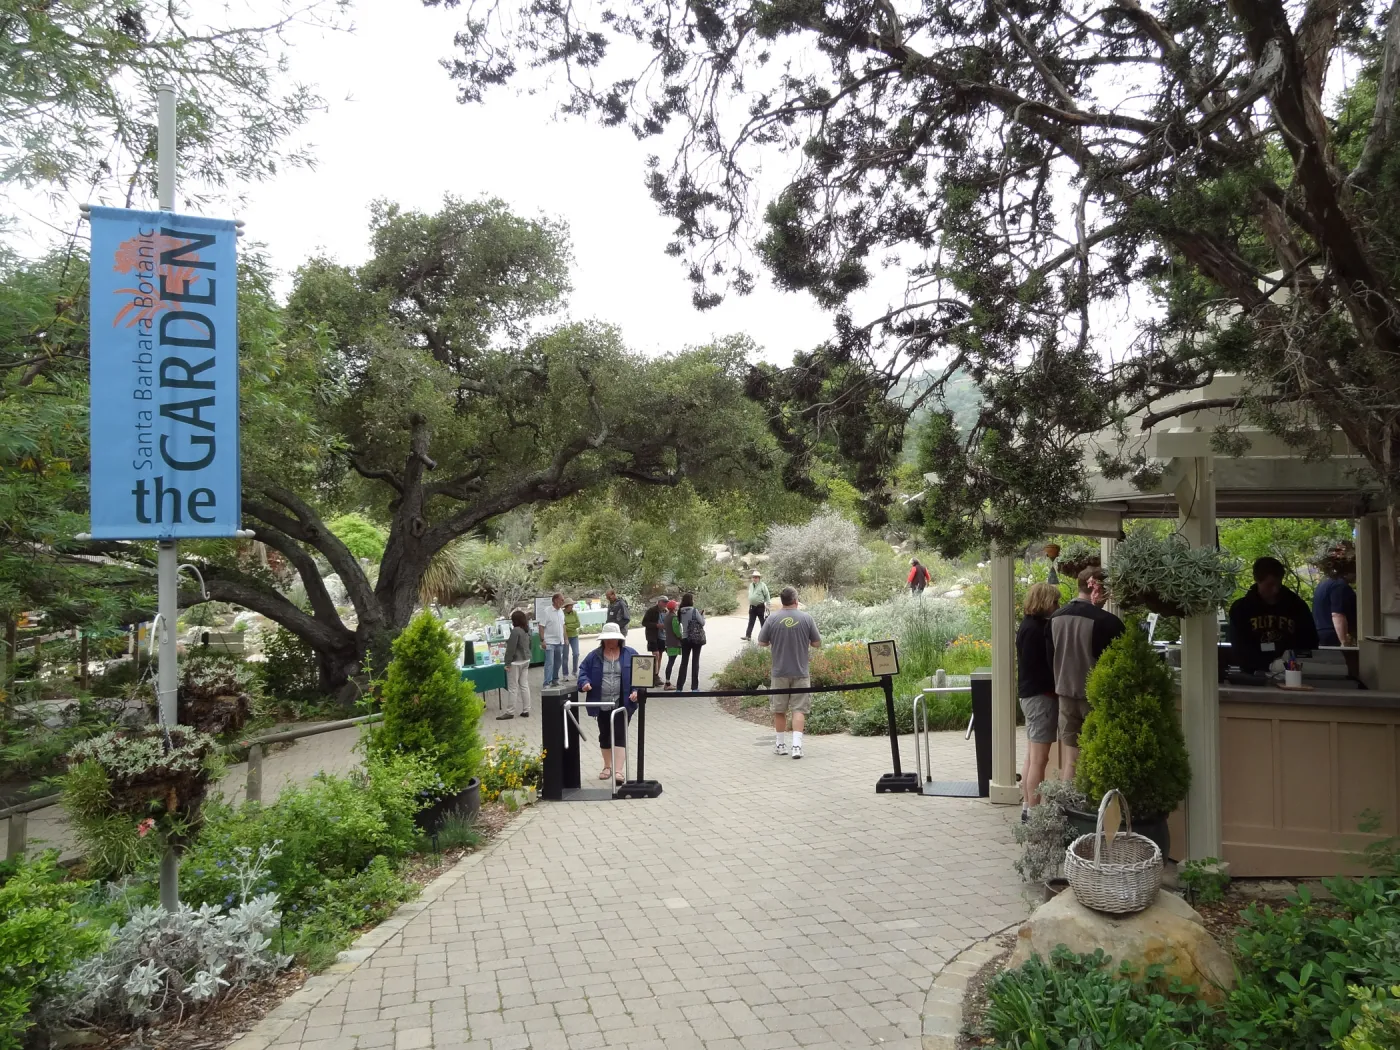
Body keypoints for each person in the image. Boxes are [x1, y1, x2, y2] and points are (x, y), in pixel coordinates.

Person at [1049, 567, 1125, 783]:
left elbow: (1049, 658)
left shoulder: (1055, 618)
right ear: (1099, 589)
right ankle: (1093, 811)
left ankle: (1067, 807)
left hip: (1064, 695)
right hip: (1096, 697)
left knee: (1071, 758)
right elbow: (1118, 664)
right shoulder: (1109, 623)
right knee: (1097, 757)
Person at [758, 586, 822, 759]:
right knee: (799, 709)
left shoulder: (772, 619)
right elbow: (817, 643)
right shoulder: (806, 618)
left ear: (782, 601)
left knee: (779, 709)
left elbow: (762, 642)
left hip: (779, 672)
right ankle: (797, 747)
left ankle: (780, 745)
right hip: (801, 671)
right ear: (796, 600)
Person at [1230, 557, 1319, 673]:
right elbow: (1239, 647)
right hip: (1253, 673)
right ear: (1258, 580)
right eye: (1270, 585)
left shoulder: (1297, 606)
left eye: (1278, 584)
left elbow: (1310, 642)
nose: (1275, 590)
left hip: (1291, 672)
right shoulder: (1241, 609)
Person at [576, 622, 640, 785]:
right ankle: (607, 767)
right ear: (602, 641)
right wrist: (585, 683)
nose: (611, 642)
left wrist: (636, 691)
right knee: (604, 734)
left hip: (622, 704)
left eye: (613, 639)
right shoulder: (594, 656)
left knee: (619, 734)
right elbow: (583, 671)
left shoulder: (631, 654)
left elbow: (640, 676)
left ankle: (618, 771)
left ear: (619, 640)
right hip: (601, 702)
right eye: (607, 639)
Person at [1016, 583, 1060, 816]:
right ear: (1044, 602)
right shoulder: (1037, 630)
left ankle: (1027, 807)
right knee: (1040, 760)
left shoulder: (1026, 625)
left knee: (1031, 755)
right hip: (1040, 697)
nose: (1057, 606)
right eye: (1054, 602)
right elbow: (1041, 667)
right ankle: (1034, 813)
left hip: (1029, 695)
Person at [1312, 552, 1357, 647]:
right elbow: (1337, 614)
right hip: (1333, 636)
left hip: (1321, 633)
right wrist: (1344, 642)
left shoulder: (1324, 583)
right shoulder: (1339, 586)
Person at [500, 609, 533, 720]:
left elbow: (511, 649)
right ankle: (526, 709)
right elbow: (530, 645)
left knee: (513, 687)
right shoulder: (526, 630)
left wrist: (507, 662)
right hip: (526, 660)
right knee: (524, 685)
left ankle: (510, 712)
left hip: (515, 662)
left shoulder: (515, 631)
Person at [676, 592, 707, 691]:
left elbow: (681, 623)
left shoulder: (680, 611)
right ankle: (694, 687)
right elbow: (702, 623)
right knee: (695, 662)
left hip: (685, 638)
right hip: (695, 639)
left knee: (684, 663)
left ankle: (679, 687)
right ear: (691, 600)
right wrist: (702, 615)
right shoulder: (694, 610)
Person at [538, 592, 567, 688]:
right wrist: (542, 640)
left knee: (558, 662)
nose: (563, 601)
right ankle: (547, 682)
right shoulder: (547, 611)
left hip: (559, 642)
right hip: (549, 641)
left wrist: (565, 638)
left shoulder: (561, 612)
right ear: (555, 600)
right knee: (549, 662)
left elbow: (563, 625)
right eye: (561, 599)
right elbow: (541, 626)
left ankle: (555, 679)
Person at [642, 595, 669, 685]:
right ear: (659, 602)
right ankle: (653, 676)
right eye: (664, 602)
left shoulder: (666, 611)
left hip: (662, 636)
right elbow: (644, 622)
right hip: (652, 636)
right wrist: (656, 625)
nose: (665, 604)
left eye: (666, 602)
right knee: (655, 655)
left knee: (660, 656)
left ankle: (656, 676)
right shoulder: (652, 610)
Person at [743, 570, 771, 641]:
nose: (754, 579)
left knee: (763, 622)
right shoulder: (751, 585)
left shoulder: (762, 585)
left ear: (759, 578)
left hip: (760, 606)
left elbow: (767, 595)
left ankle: (765, 637)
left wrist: (768, 604)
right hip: (752, 606)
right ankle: (748, 636)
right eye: (753, 577)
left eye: (756, 577)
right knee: (751, 622)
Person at [662, 599, 682, 689]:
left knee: (670, 661)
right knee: (671, 662)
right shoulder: (674, 617)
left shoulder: (666, 616)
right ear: (674, 608)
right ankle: (667, 683)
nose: (677, 606)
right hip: (673, 643)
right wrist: (681, 637)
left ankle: (667, 682)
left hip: (668, 641)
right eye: (676, 605)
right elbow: (676, 631)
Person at [563, 599, 582, 679]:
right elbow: (562, 626)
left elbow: (578, 624)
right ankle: (565, 674)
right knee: (565, 656)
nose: (572, 606)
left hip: (574, 636)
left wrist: (567, 626)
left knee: (576, 653)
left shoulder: (574, 612)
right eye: (571, 605)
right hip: (565, 636)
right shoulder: (562, 614)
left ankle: (574, 671)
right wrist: (567, 627)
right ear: (567, 606)